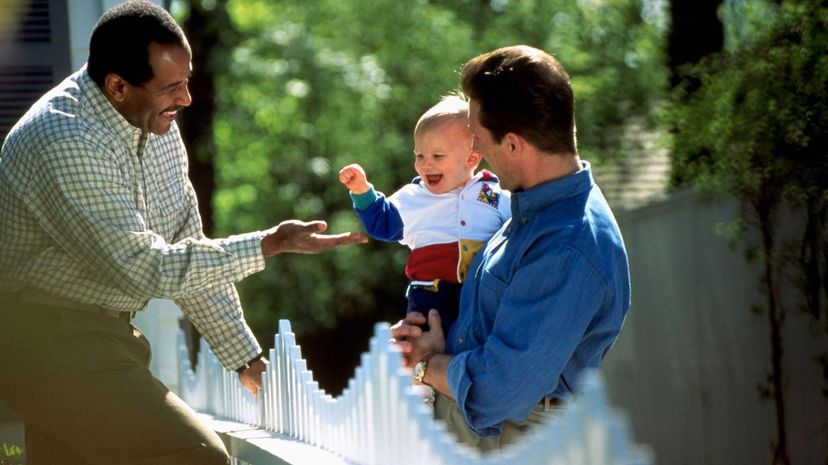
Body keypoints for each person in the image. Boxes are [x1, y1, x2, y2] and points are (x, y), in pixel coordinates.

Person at [0, 1, 365, 464]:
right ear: (117, 87)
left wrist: (245, 358)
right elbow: (143, 269)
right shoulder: (64, 138)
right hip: (43, 339)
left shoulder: (155, 122)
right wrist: (270, 243)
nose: (186, 98)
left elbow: (184, 243)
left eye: (187, 81)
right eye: (172, 87)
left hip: (100, 334)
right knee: (198, 455)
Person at [390, 45, 631, 452]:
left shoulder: (566, 244)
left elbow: (497, 390)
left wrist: (427, 366)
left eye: (480, 142)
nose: (477, 157)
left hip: (513, 446)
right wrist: (430, 337)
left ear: (515, 145)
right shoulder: (526, 213)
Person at [338, 95, 511, 333]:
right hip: (431, 295)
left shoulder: (489, 192)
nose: (425, 164)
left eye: (437, 156)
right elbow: (382, 223)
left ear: (471, 158)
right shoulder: (415, 197)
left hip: (482, 292)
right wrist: (362, 191)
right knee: (428, 342)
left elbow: (520, 222)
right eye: (419, 156)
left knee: (482, 342)